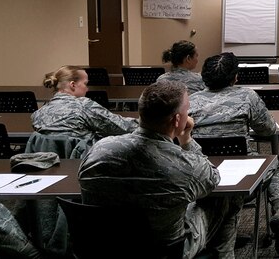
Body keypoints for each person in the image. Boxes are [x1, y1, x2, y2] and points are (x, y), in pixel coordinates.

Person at [78, 81, 241, 258]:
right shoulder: (184, 166)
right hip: (165, 251)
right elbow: (212, 178)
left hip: (102, 246)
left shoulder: (99, 149)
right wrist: (186, 139)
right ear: (178, 119)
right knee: (226, 198)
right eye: (187, 110)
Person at [188, 53, 279, 257]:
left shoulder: (191, 101)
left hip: (204, 176)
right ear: (235, 77)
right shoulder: (246, 96)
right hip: (245, 179)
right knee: (277, 164)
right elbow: (268, 129)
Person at [33, 66, 137, 142]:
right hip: (82, 163)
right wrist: (146, 122)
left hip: (50, 165)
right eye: (85, 84)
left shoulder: (39, 113)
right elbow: (120, 126)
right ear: (73, 84)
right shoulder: (84, 105)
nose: (87, 88)